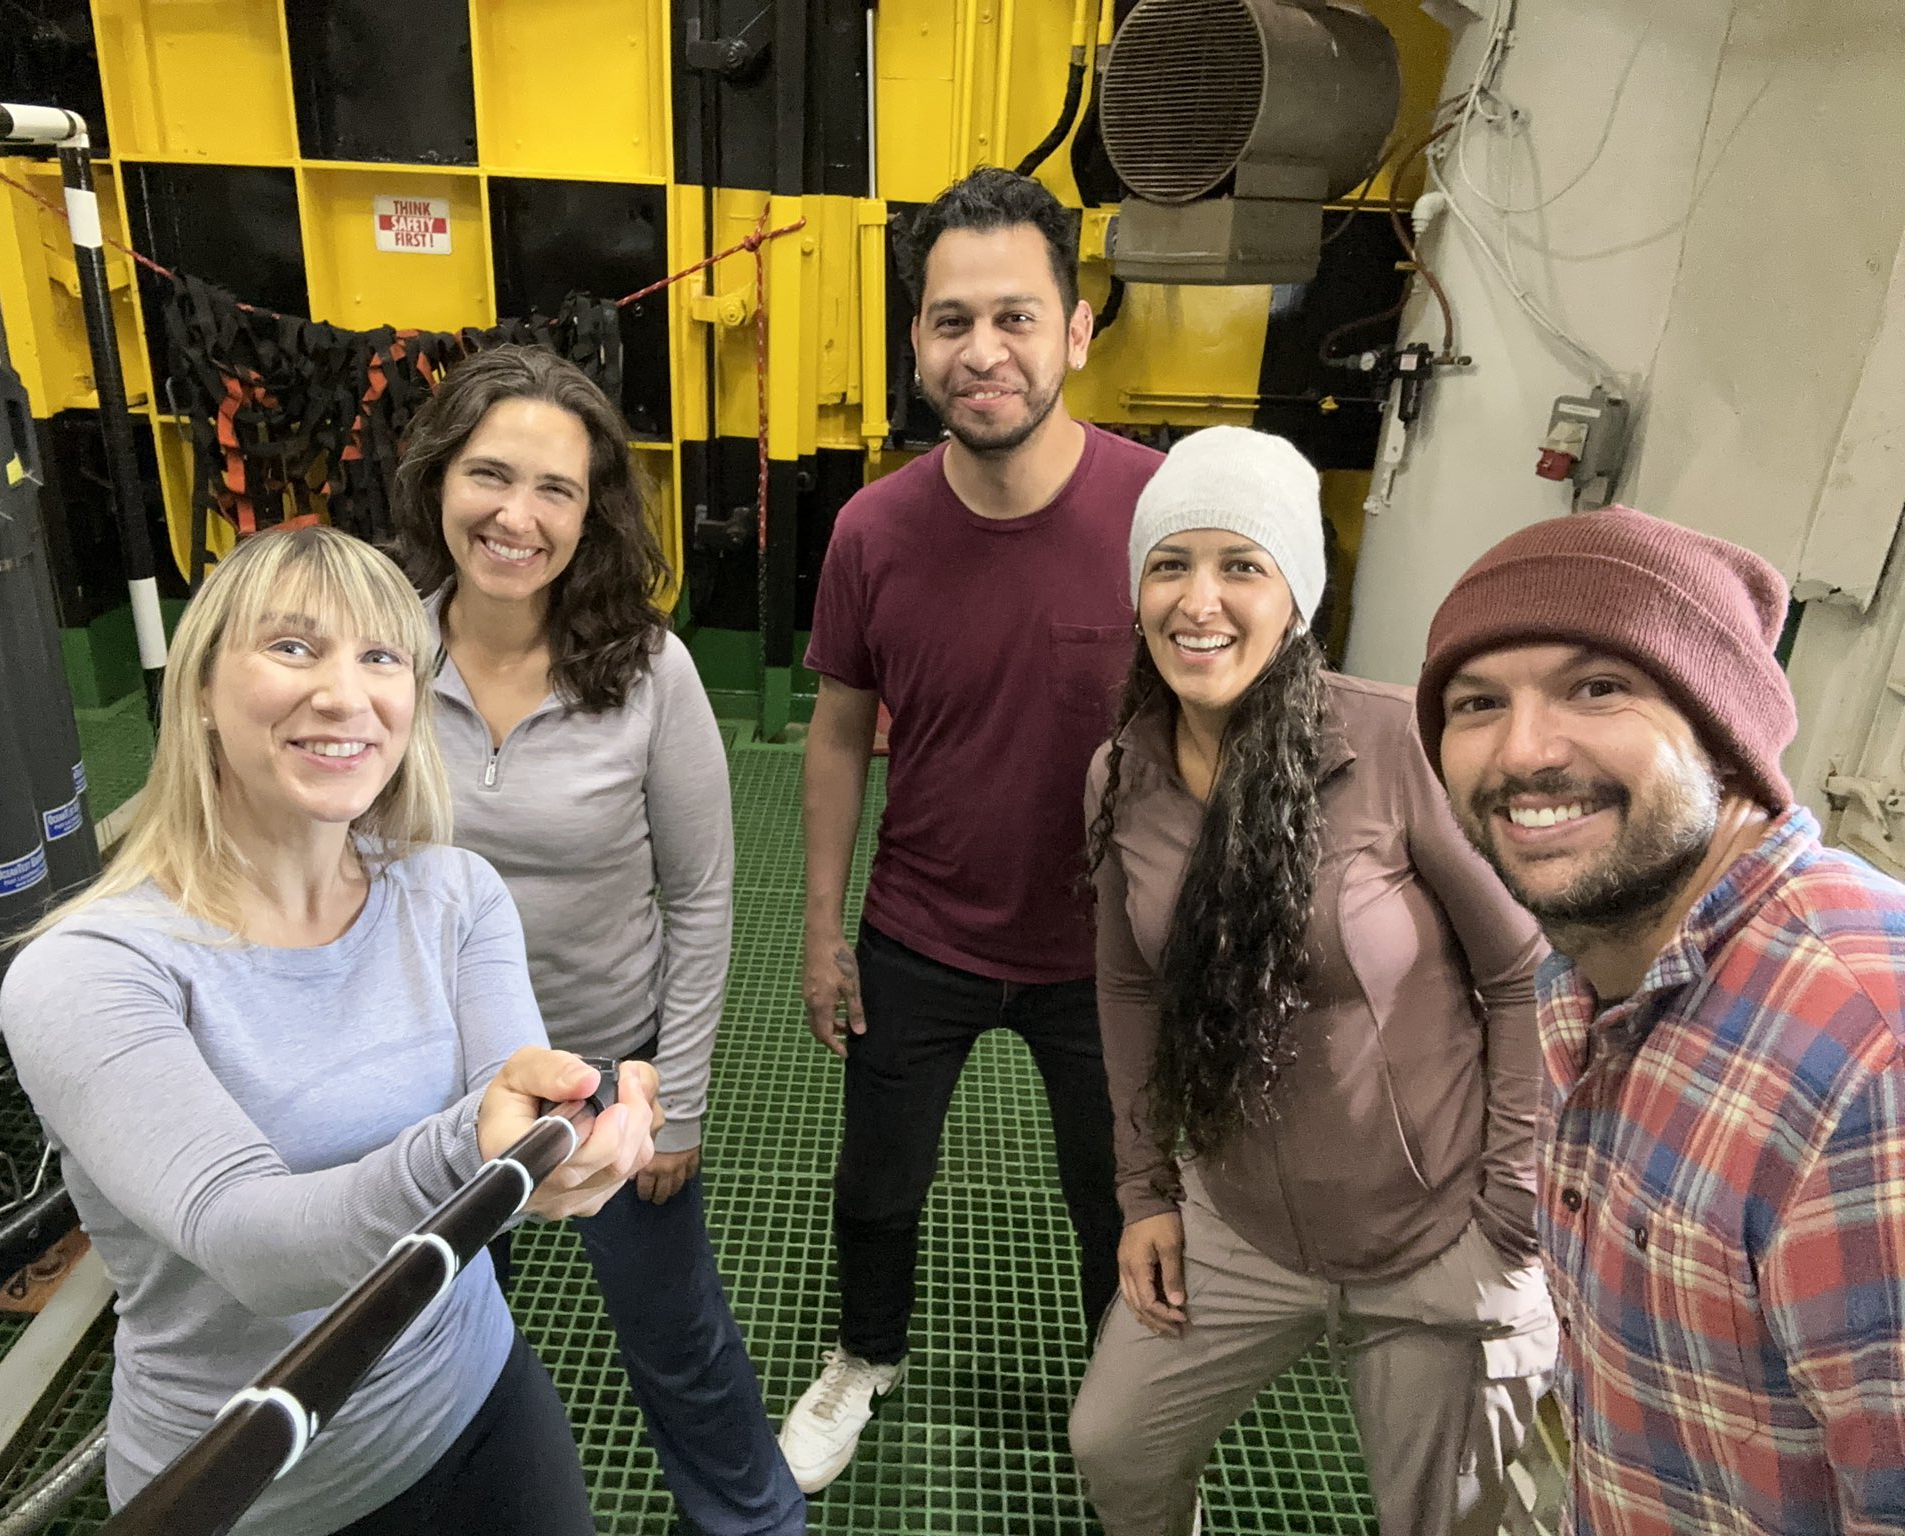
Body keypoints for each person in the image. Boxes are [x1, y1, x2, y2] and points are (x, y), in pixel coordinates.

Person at [0, 524, 660, 1536]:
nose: (345, 695)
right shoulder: (91, 971)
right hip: (259, 1496)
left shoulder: (452, 894)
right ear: (204, 691)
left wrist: (570, 1128)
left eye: (381, 656)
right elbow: (249, 1241)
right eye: (294, 648)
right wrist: (481, 1154)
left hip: (481, 1408)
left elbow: (509, 1094)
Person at [1065, 426, 1556, 1536]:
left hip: (1434, 1231)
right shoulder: (1121, 770)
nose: (1200, 601)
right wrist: (1147, 1194)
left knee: (1442, 1519)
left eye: (1241, 565)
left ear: (1297, 596)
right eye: (1168, 564)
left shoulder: (1392, 745)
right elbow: (1126, 987)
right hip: (1235, 1223)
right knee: (1116, 1448)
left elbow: (1522, 970)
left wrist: (1510, 1209)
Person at [778, 165, 1161, 1493]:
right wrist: (823, 932)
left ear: (1075, 332)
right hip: (920, 932)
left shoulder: (1161, 517)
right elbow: (836, 737)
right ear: (917, 343)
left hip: (1106, 953)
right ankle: (862, 1361)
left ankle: (1131, 1399)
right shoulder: (872, 532)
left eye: (1013, 316)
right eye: (950, 321)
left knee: (1115, 1194)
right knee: (877, 1183)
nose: (980, 350)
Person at [1417, 506, 1905, 1535]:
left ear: (1721, 732)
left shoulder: (1866, 1061)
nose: (1522, 751)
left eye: (1597, 687)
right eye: (1474, 703)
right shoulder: (1587, 967)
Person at [389, 345, 806, 1536]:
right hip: (440, 1088)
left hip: (602, 1077)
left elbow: (704, 893)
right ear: (438, 482)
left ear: (593, 514)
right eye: (489, 475)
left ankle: (753, 1524)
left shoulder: (649, 672)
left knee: (677, 1344)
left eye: (555, 490)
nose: (516, 516)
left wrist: (672, 1105)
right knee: (446, 1342)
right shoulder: (385, 656)